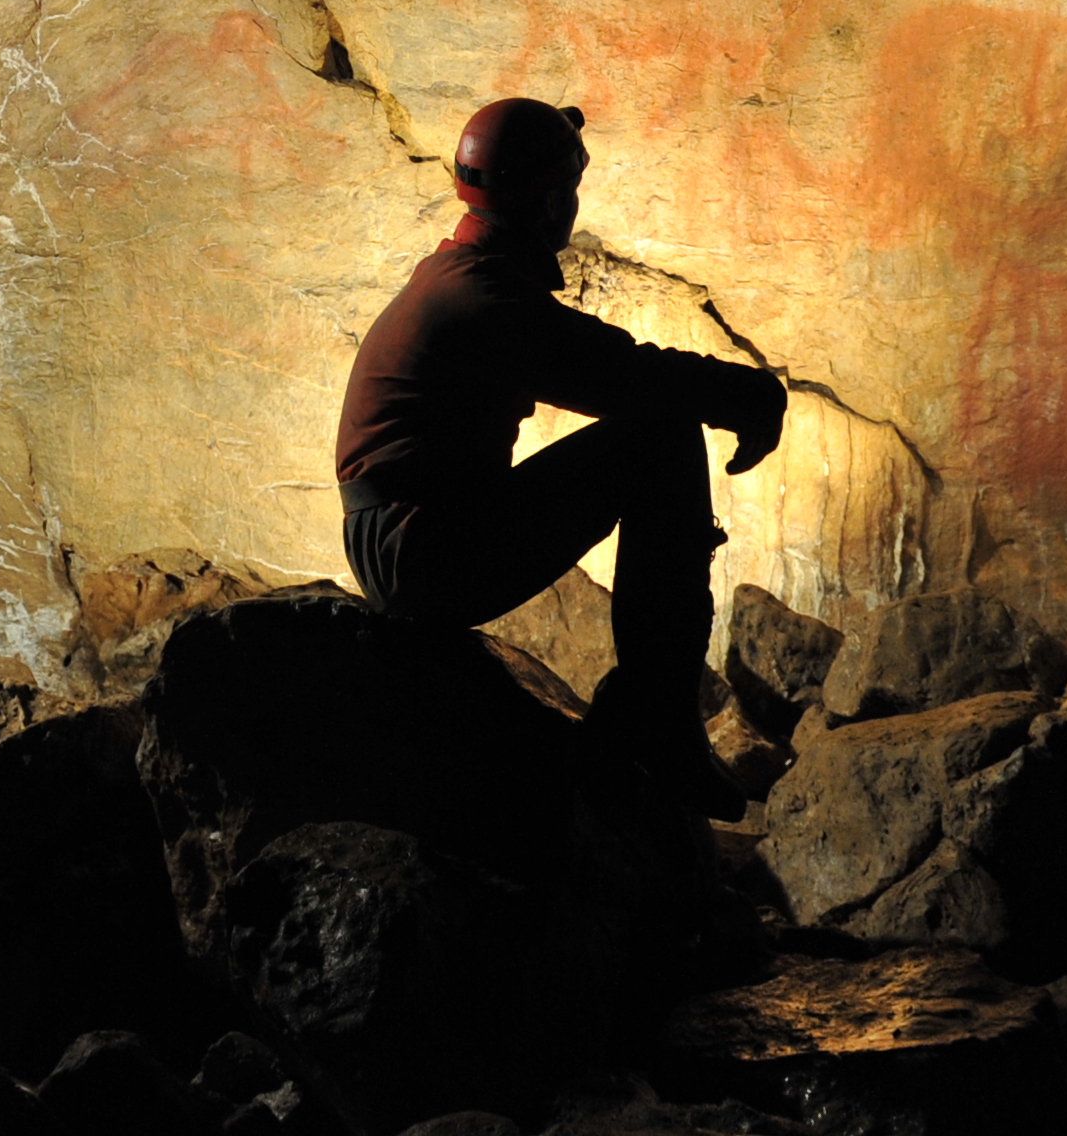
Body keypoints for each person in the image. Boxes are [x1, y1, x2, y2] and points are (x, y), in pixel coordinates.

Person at [333, 96, 788, 816]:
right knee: (659, 439)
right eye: (569, 192)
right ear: (549, 202)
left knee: (655, 431)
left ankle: (649, 715)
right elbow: (626, 375)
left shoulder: (460, 278)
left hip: (413, 536)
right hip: (420, 551)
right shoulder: (481, 302)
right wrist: (751, 396)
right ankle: (656, 721)